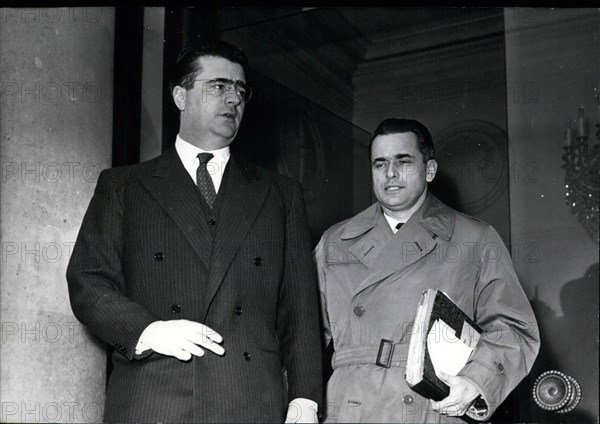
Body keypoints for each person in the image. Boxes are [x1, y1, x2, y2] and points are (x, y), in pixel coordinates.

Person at [67, 39, 322, 423]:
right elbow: (87, 282)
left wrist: (305, 399)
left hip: (249, 398)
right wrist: (149, 331)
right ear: (180, 96)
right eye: (218, 86)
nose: (233, 98)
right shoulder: (124, 186)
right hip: (153, 396)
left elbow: (300, 309)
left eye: (240, 89)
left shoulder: (279, 193)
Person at [314, 118, 540, 423]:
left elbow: (514, 329)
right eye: (379, 164)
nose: (390, 173)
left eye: (403, 161)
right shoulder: (335, 241)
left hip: (428, 408)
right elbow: (303, 335)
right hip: (348, 408)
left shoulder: (473, 238)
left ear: (429, 169)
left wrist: (476, 381)